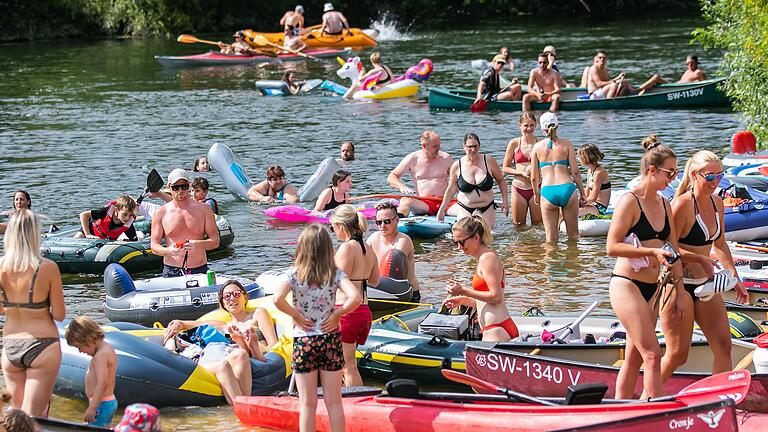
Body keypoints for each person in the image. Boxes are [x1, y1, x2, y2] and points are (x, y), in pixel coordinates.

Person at [605, 134, 684, 399]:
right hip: (626, 285)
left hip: (654, 287)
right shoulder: (630, 201)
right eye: (669, 173)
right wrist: (650, 250)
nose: (672, 178)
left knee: (635, 358)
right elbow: (611, 246)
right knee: (653, 353)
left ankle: (619, 411)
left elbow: (673, 251)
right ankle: (656, 413)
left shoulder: (664, 203)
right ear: (652, 170)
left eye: (675, 172)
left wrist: (681, 294)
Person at [659, 150, 749, 383]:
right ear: (694, 174)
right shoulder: (682, 205)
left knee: (723, 345)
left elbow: (719, 245)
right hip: (678, 284)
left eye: (720, 176)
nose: (715, 183)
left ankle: (720, 398)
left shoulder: (716, 201)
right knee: (678, 354)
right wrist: (700, 258)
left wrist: (735, 278)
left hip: (707, 285)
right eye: (710, 178)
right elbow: (668, 249)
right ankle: (646, 397)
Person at [272, 224, 362, 432]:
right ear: (327, 249)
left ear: (302, 247)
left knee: (307, 404)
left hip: (304, 340)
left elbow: (277, 299)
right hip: (329, 338)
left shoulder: (293, 274)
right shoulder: (334, 274)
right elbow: (355, 297)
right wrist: (338, 314)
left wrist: (296, 315)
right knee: (334, 402)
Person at [163, 280, 277, 404]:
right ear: (223, 303)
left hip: (252, 353)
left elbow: (273, 344)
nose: (232, 298)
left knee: (240, 354)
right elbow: (183, 323)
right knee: (229, 361)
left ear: (245, 297)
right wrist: (176, 325)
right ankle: (243, 407)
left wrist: (258, 347)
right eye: (227, 296)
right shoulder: (221, 325)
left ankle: (250, 346)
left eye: (236, 294)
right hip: (222, 356)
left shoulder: (257, 314)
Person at [1, 210, 66, 417]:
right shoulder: (47, 267)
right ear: (35, 234)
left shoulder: (1, 267)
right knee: (33, 420)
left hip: (10, 345)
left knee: (15, 418)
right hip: (43, 345)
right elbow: (59, 314)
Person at [443, 216, 518, 341]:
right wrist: (464, 300)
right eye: (456, 243)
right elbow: (487, 302)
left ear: (476, 238)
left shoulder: (487, 258)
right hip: (496, 327)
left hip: (496, 329)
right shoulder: (483, 259)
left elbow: (496, 297)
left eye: (461, 242)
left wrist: (463, 290)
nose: (459, 247)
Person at [329, 205, 379, 387]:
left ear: (341, 225)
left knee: (347, 365)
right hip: (364, 311)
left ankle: (353, 400)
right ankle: (350, 396)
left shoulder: (347, 248)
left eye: (332, 227)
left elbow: (334, 283)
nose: (333, 231)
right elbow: (375, 280)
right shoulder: (368, 248)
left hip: (346, 312)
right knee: (349, 363)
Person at [150, 169, 220, 278]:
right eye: (176, 187)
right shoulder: (161, 213)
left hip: (199, 269)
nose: (180, 191)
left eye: (184, 187)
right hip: (172, 270)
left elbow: (215, 241)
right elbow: (154, 246)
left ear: (189, 186)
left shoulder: (204, 210)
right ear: (169, 187)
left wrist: (198, 244)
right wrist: (168, 251)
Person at [531, 113, 585, 242]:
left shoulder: (537, 147)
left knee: (550, 240)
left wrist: (536, 194)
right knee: (574, 236)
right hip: (567, 188)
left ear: (542, 128)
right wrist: (582, 193)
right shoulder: (567, 144)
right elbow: (575, 172)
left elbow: (534, 177)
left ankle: (551, 261)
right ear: (557, 125)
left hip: (548, 190)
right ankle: (574, 261)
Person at [436, 133, 509, 227]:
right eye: (470, 147)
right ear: (464, 146)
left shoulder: (488, 161)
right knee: (464, 233)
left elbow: (501, 181)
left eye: (475, 146)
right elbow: (451, 189)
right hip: (465, 207)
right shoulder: (457, 165)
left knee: (484, 235)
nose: (473, 150)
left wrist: (505, 202)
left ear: (479, 146)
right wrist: (442, 209)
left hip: (487, 207)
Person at [65, 316, 117, 427]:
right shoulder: (107, 349)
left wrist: (92, 408)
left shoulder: (100, 356)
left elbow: (102, 383)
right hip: (106, 402)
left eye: (79, 347)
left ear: (88, 340)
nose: (80, 351)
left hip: (101, 404)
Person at [388, 130, 454, 216]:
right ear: (424, 146)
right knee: (405, 200)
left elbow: (457, 179)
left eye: (439, 145)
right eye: (435, 146)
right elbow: (391, 177)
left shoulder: (446, 158)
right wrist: (402, 186)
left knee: (465, 206)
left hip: (445, 202)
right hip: (424, 204)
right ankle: (399, 219)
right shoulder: (413, 159)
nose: (438, 148)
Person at [367, 201, 422, 302]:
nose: (382, 226)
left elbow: (393, 268)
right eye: (379, 222)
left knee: (393, 256)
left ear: (397, 220)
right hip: (382, 290)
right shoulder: (373, 238)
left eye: (387, 221)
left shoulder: (403, 240)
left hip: (406, 293)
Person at [503, 112, 542, 225]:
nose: (529, 128)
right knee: (518, 225)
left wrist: (536, 169)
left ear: (536, 125)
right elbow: (505, 168)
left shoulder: (540, 143)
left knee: (538, 225)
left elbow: (547, 166)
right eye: (526, 125)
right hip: (518, 188)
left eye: (532, 125)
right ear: (519, 125)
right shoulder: (514, 143)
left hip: (537, 188)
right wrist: (521, 173)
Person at [636, 55, 709, 95]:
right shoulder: (687, 71)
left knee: (656, 77)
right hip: (674, 86)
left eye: (691, 63)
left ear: (696, 62)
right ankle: (638, 92)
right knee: (652, 84)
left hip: (679, 89)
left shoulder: (699, 72)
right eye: (687, 63)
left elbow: (705, 85)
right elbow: (681, 81)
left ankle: (636, 91)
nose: (689, 65)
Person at [577, 143, 612, 217]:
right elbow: (586, 193)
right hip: (592, 205)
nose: (578, 159)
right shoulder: (590, 171)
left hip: (599, 208)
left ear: (586, 157)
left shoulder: (599, 173)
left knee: (570, 213)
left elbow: (593, 198)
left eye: (579, 156)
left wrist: (578, 204)